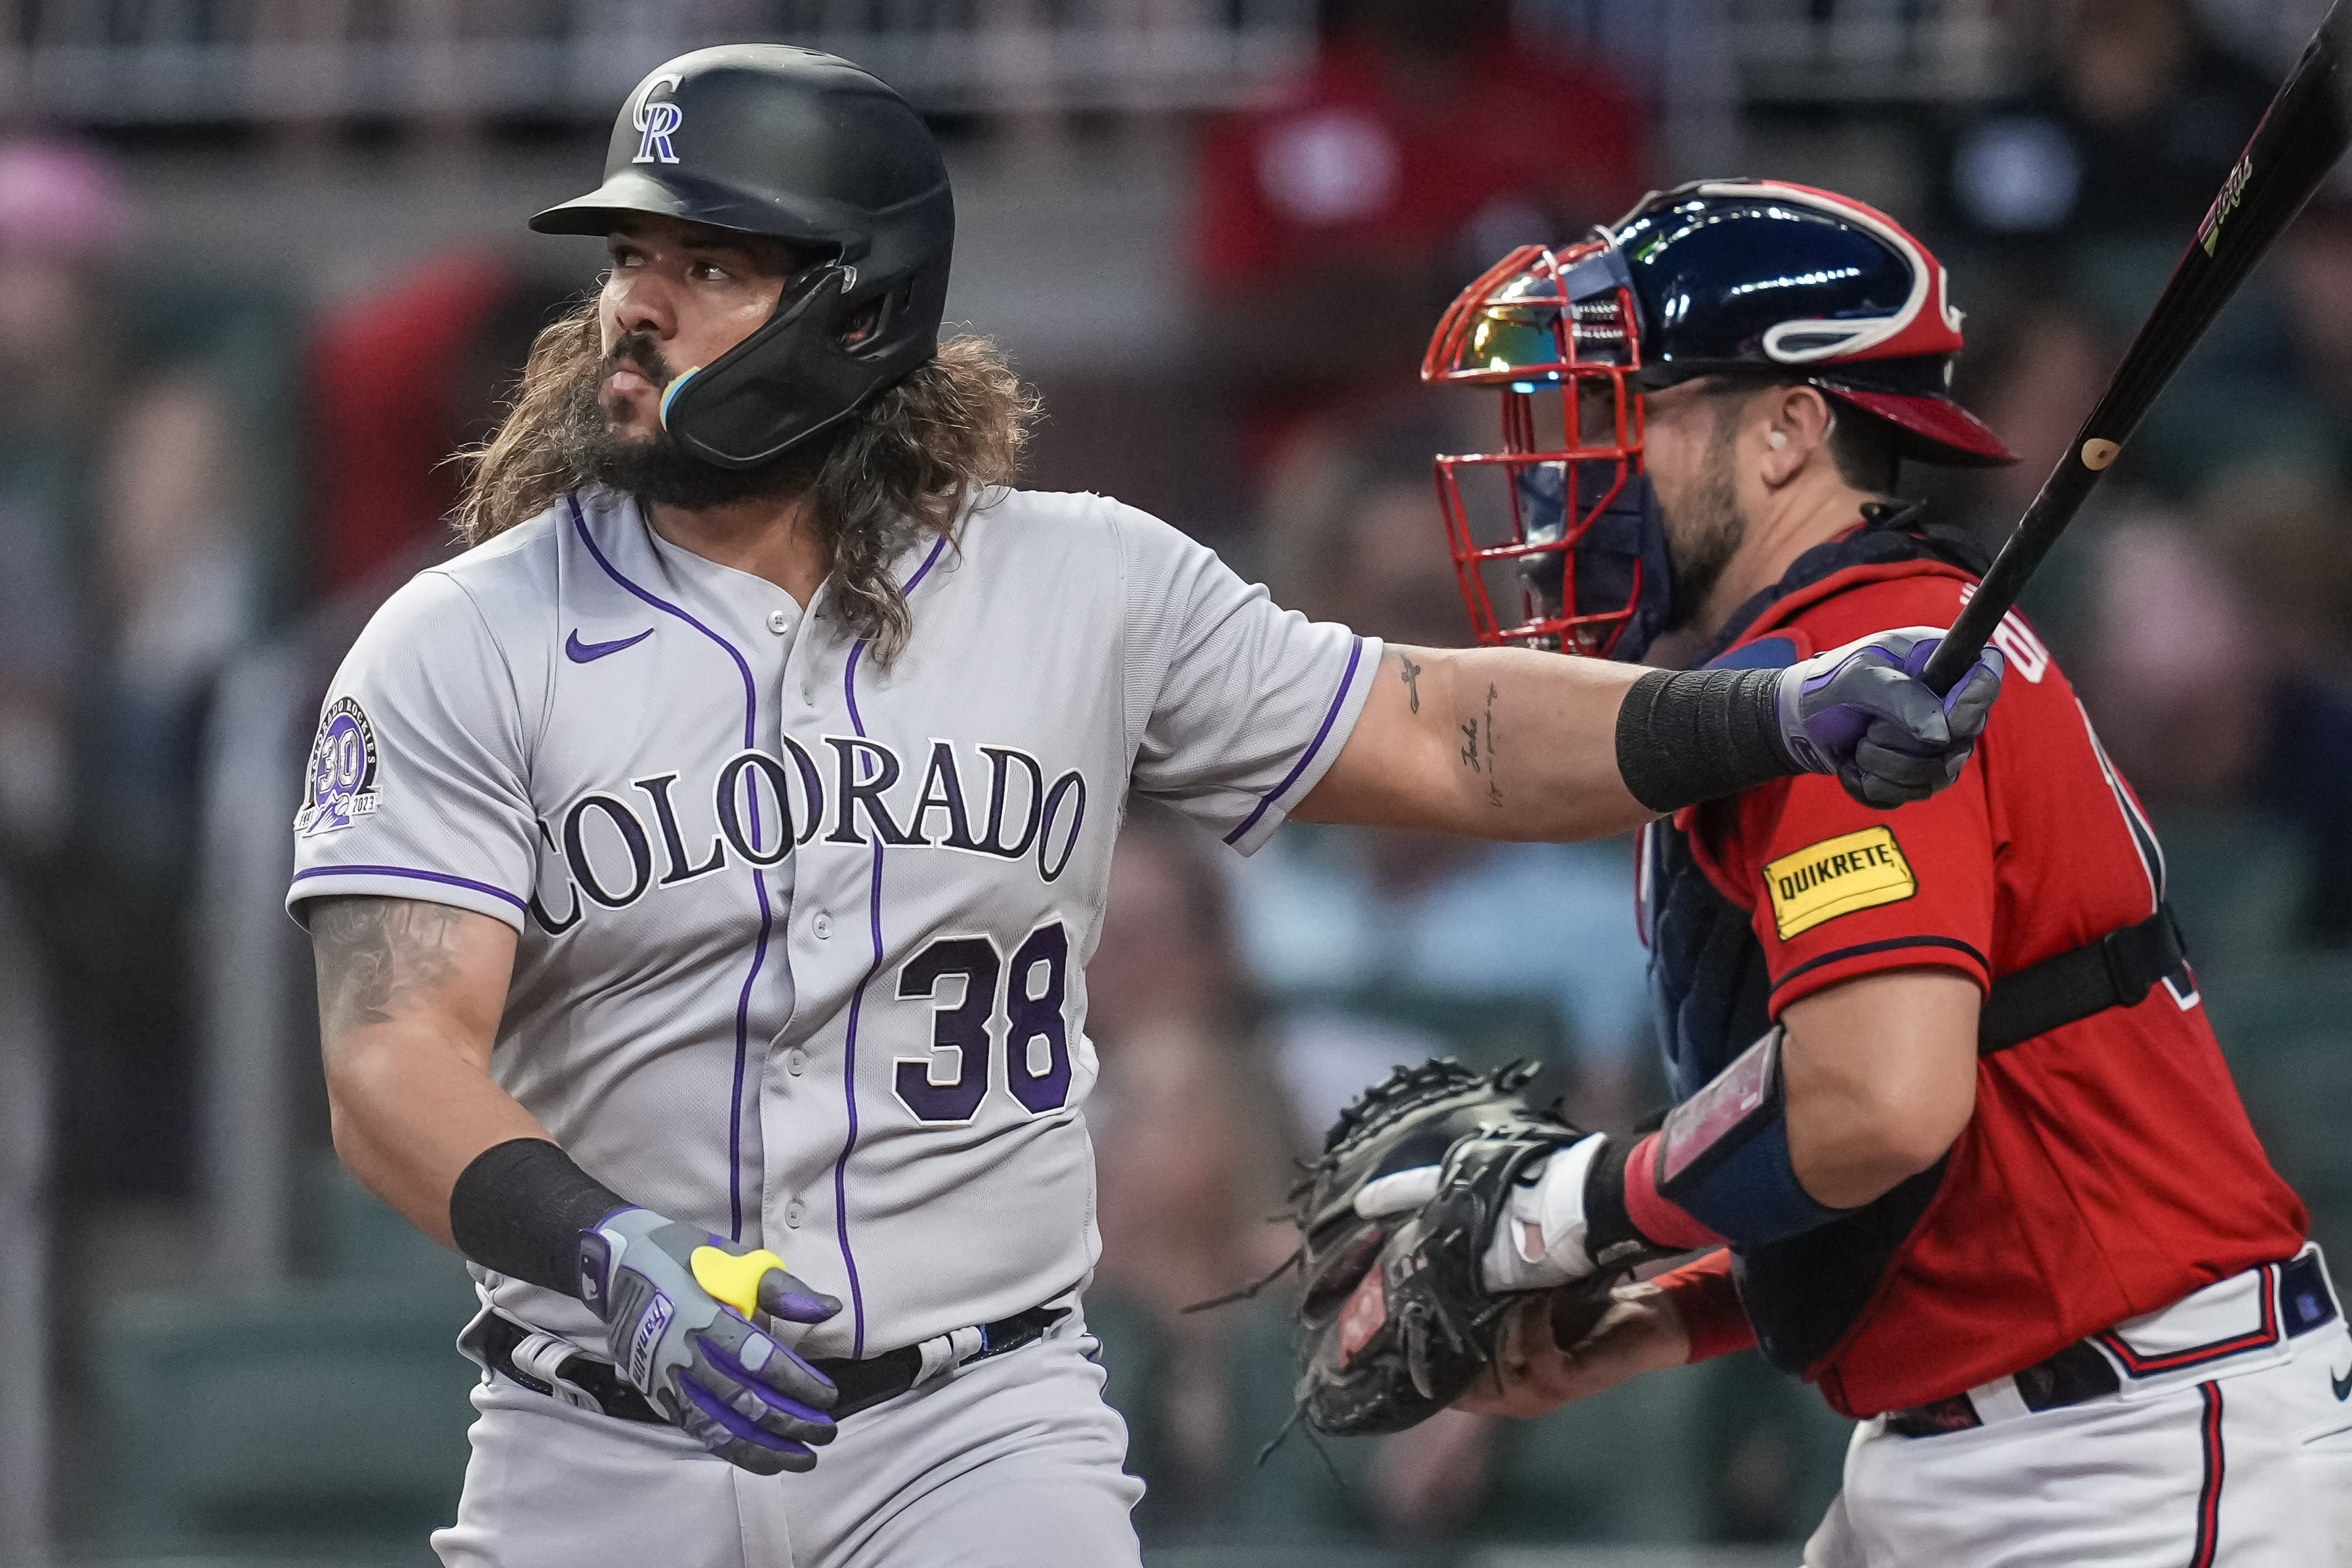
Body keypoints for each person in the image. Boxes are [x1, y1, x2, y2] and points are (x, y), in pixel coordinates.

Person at [286, 55, 1997, 1568]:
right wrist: (604, 1249)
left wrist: (1760, 718)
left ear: (859, 311)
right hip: (598, 1426)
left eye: (708, 263)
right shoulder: (463, 637)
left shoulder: (1079, 584)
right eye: (630, 258)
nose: (635, 307)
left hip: (966, 1433)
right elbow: (390, 1061)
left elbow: (1442, 730)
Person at [1404, 181, 2344, 1563]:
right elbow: (1917, 1141)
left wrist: (1580, 1205)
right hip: (1996, 1445)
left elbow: (1876, 1104)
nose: (1568, 470)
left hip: (2125, 1463)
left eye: (1625, 407)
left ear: (1787, 429)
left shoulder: (1864, 665)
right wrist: (1672, 1309)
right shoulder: (1842, 664)